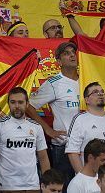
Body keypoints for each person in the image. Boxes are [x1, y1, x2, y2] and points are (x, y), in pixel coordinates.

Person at [27, 42, 80, 180]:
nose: (72, 55)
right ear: (58, 61)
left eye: (73, 52)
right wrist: (47, 130)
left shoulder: (87, 80)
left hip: (87, 146)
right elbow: (28, 106)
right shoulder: (53, 83)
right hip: (64, 147)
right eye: (66, 53)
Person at [0, 87, 50, 193]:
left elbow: (43, 158)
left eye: (20, 102)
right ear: (8, 104)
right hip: (9, 187)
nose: (17, 106)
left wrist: (47, 186)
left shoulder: (36, 127)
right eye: (13, 102)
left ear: (27, 104)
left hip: (33, 187)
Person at [66, 82, 105, 188]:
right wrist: (83, 179)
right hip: (91, 183)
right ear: (86, 100)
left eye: (102, 92)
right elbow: (72, 152)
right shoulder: (80, 119)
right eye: (95, 92)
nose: (100, 94)